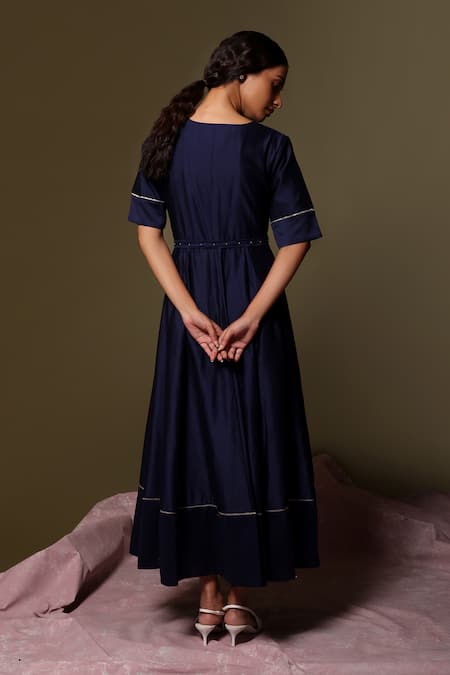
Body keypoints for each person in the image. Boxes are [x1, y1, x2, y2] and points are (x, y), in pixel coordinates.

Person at [127, 30, 323, 647]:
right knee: (251, 434)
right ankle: (235, 598)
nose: (278, 99)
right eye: (275, 84)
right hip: (249, 301)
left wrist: (186, 312)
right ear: (242, 74)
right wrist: (254, 315)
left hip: (189, 309)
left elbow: (149, 235)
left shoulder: (166, 139)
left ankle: (210, 598)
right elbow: (295, 239)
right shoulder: (270, 147)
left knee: (197, 438)